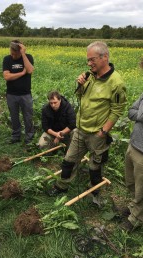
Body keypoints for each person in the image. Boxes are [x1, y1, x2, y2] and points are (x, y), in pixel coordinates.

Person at [48, 41, 127, 196]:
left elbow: (117, 110)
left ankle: (93, 190)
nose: (89, 63)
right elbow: (81, 97)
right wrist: (80, 85)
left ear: (104, 57)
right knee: (68, 161)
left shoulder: (116, 83)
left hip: (97, 134)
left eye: (92, 59)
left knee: (95, 167)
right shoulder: (90, 76)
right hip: (80, 130)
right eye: (88, 60)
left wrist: (103, 132)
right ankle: (62, 186)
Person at [3, 40, 34, 144]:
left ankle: (29, 138)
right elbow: (7, 76)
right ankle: (16, 136)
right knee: (14, 116)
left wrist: (23, 54)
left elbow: (29, 70)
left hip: (25, 94)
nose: (13, 55)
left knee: (28, 117)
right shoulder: (7, 59)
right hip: (11, 94)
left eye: (15, 54)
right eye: (11, 53)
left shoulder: (28, 57)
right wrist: (21, 73)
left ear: (20, 52)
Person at [120, 92, 143, 232]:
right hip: (134, 144)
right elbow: (131, 112)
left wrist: (139, 114)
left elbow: (137, 114)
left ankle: (136, 219)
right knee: (131, 182)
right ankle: (133, 207)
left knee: (142, 189)